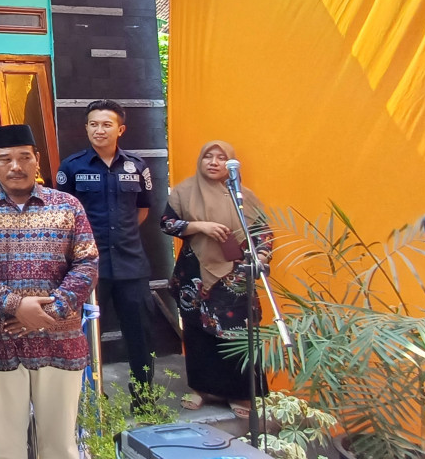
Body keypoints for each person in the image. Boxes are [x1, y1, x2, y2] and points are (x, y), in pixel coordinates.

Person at [0, 125, 98, 459]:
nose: (16, 166)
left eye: (24, 157)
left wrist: (45, 314)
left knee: (59, 447)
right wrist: (14, 305)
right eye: (6, 158)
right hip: (0, 344)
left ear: (37, 160)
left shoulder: (67, 205)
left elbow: (87, 265)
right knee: (5, 448)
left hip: (60, 341)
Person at [160, 140, 271, 417]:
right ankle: (200, 388)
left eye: (221, 158)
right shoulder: (185, 191)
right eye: (208, 156)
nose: (213, 162)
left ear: (230, 165)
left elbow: (263, 233)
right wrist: (199, 226)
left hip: (234, 276)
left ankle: (238, 394)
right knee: (198, 335)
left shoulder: (242, 197)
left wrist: (263, 255)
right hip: (194, 275)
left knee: (235, 336)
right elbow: (166, 223)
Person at [55, 99, 155, 391]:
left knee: (141, 334)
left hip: (130, 264)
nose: (100, 130)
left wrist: (120, 234)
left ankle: (144, 397)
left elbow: (142, 210)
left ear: (120, 129)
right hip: (88, 267)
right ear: (86, 128)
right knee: (85, 334)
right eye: (94, 124)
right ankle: (91, 399)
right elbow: (63, 216)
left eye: (107, 124)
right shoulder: (71, 167)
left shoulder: (137, 166)